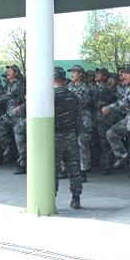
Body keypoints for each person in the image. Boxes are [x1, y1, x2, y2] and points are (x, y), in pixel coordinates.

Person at [0, 65, 27, 174]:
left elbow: (27, 98)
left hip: (20, 115)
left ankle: (23, 164)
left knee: (20, 140)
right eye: (7, 71)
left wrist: (23, 107)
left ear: (16, 73)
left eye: (10, 71)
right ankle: (10, 146)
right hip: (10, 113)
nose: (7, 72)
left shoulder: (21, 84)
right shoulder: (9, 84)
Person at [53, 67, 83, 209]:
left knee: (53, 170)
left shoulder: (50, 97)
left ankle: (50, 198)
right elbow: (79, 120)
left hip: (55, 137)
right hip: (71, 136)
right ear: (64, 80)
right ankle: (76, 199)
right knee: (74, 169)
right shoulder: (73, 97)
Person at [68, 65, 94, 182]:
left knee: (82, 144)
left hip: (83, 118)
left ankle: (84, 170)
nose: (72, 74)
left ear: (80, 74)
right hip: (71, 118)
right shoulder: (69, 86)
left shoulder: (85, 87)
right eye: (71, 72)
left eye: (74, 72)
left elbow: (80, 102)